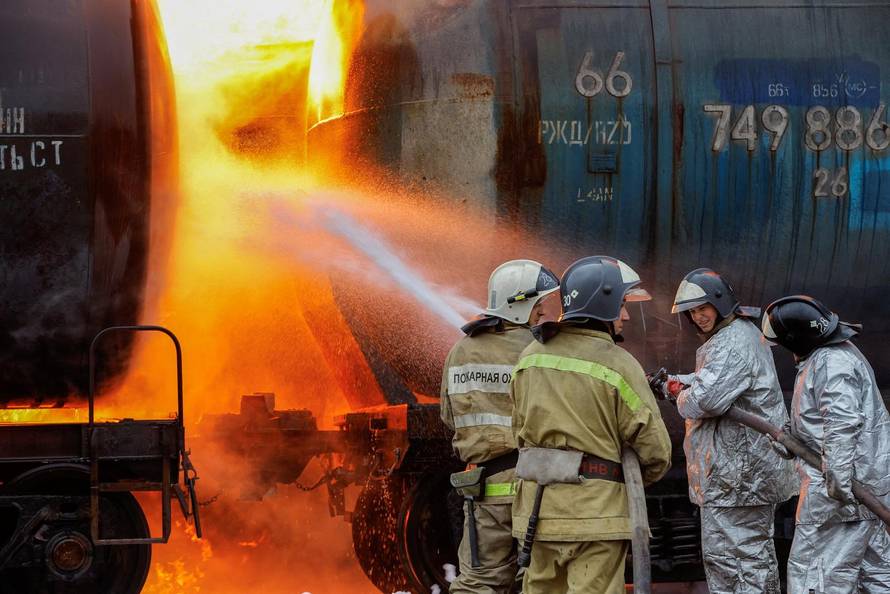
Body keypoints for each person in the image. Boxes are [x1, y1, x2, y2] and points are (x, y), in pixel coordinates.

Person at [510, 255, 672, 594]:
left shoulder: (528, 358)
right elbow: (656, 451)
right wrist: (623, 482)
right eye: (622, 305)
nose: (626, 315)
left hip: (537, 515)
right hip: (597, 518)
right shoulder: (619, 364)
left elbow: (518, 433)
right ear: (604, 304)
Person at [660, 268, 796, 593]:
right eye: (692, 312)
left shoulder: (734, 340)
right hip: (736, 480)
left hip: (741, 480)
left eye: (702, 308)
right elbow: (710, 381)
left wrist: (677, 393)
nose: (698, 317)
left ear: (720, 302)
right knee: (738, 560)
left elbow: (705, 400)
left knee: (740, 563)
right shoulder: (734, 335)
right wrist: (673, 382)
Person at [440, 259, 559, 594]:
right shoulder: (540, 350)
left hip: (485, 489)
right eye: (537, 304)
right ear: (518, 303)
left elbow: (448, 417)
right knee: (539, 581)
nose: (543, 311)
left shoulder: (460, 351)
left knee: (480, 582)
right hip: (536, 487)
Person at [761, 295, 890, 593]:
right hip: (867, 492)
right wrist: (792, 439)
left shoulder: (831, 362)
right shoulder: (835, 354)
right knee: (875, 576)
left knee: (815, 577)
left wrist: (838, 484)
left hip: (840, 497)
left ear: (796, 340)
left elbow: (842, 423)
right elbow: (822, 421)